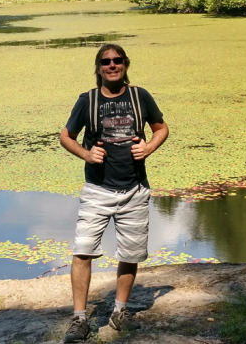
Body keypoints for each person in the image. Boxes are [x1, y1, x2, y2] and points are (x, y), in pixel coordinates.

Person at [59, 44, 169, 342]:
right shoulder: (88, 101)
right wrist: (85, 153)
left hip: (134, 189)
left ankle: (120, 312)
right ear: (98, 67)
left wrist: (149, 146)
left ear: (125, 64)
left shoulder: (140, 96)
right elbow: (65, 136)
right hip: (97, 190)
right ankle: (80, 319)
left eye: (117, 60)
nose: (112, 65)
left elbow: (161, 128)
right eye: (106, 61)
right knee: (83, 251)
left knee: (130, 253)